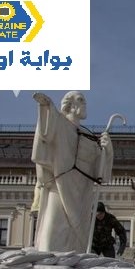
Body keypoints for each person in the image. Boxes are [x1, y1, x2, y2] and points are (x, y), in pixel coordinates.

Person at [31, 91, 114, 253]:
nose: (85, 105)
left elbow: (100, 172)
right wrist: (46, 106)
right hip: (60, 185)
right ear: (70, 105)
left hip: (82, 193)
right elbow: (46, 133)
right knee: (53, 230)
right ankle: (49, 264)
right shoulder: (60, 125)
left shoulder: (88, 136)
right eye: (81, 101)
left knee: (76, 237)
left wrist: (107, 150)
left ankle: (72, 268)